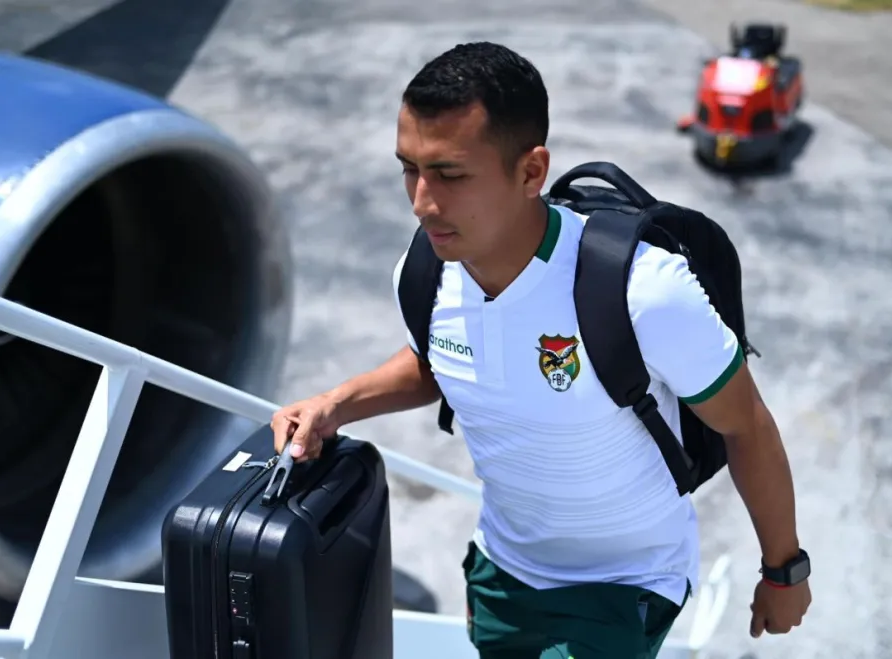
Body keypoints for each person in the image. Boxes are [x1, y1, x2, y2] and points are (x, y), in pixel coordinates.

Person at [270, 41, 811, 658]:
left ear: (531, 172)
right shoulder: (423, 274)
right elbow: (438, 359)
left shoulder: (641, 290)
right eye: (409, 169)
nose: (422, 201)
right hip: (502, 575)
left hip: (623, 587)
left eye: (449, 174)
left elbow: (748, 426)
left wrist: (783, 569)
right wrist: (335, 404)